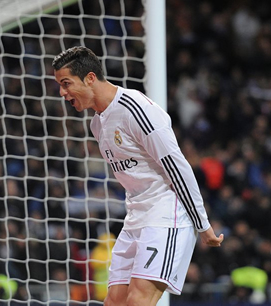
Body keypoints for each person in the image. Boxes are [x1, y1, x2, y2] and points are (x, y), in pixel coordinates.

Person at [52, 46, 224, 306]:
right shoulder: (97, 123)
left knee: (138, 300)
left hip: (167, 213)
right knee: (114, 302)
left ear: (89, 78)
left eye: (66, 84)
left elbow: (176, 166)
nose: (62, 93)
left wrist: (203, 224)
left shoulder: (136, 108)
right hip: (135, 216)